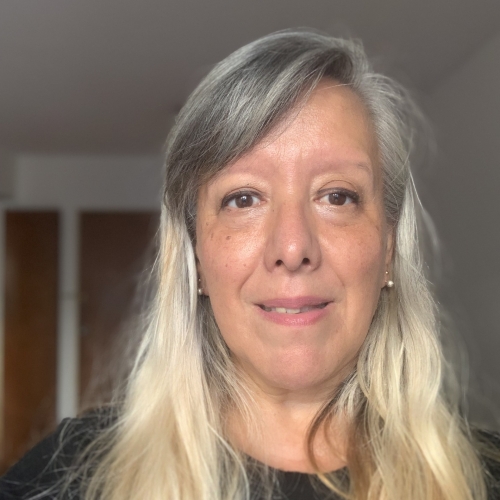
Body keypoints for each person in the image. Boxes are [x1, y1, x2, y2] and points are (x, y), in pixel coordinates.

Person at [1, 29, 499, 500]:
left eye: (337, 196)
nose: (293, 246)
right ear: (196, 253)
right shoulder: (65, 478)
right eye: (243, 198)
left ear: (388, 247)